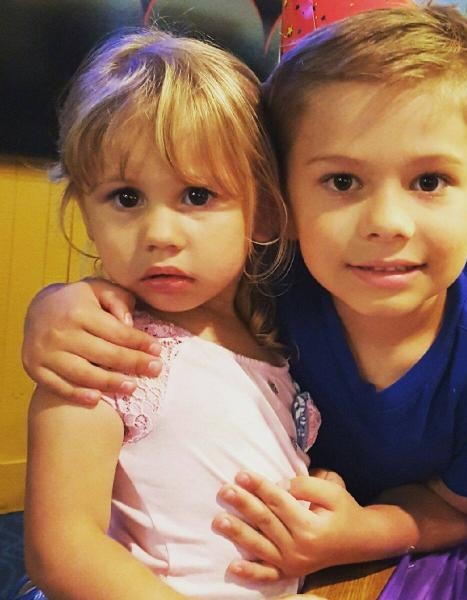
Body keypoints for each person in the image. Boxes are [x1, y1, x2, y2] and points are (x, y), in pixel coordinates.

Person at [21, 4, 467, 588]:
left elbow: (464, 509)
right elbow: (63, 546)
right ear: (284, 201)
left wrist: (365, 531)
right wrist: (59, 305)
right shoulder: (261, 278)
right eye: (342, 181)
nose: (386, 223)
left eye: (429, 181)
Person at [21, 28, 325, 600]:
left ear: (264, 213)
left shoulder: (274, 337)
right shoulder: (101, 352)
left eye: (197, 196)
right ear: (86, 211)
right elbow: (62, 552)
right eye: (126, 197)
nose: (159, 233)